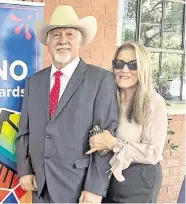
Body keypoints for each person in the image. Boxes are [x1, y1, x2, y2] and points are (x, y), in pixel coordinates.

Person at [15, 5, 119, 203]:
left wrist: (95, 188)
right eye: (56, 35)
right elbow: (24, 132)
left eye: (70, 34)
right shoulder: (34, 82)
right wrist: (24, 170)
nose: (63, 40)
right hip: (40, 186)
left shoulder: (100, 79)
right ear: (48, 42)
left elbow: (106, 139)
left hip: (78, 189)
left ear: (80, 40)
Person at [86, 41, 168, 203]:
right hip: (108, 180)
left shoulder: (153, 102)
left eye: (133, 65)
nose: (124, 70)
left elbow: (153, 153)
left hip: (139, 180)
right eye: (119, 63)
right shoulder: (107, 99)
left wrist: (114, 143)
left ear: (143, 68)